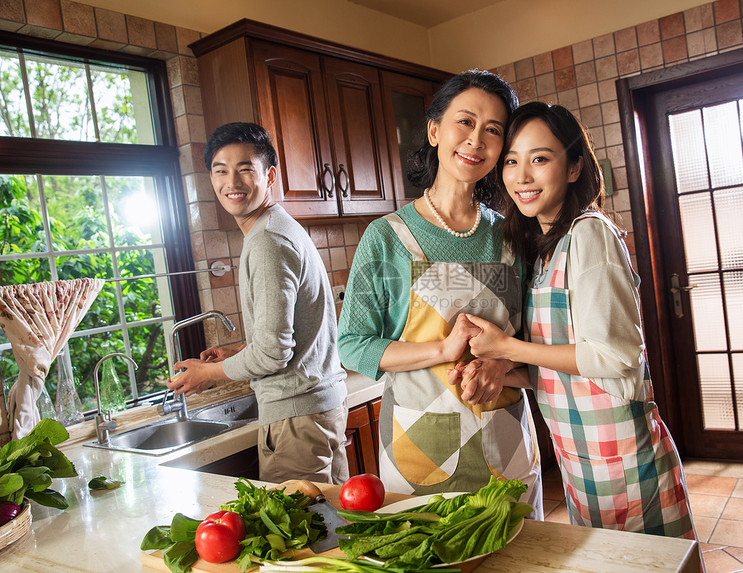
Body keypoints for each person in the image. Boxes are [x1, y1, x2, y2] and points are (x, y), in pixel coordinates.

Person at [461, 102, 697, 540]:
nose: (522, 176)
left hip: (624, 463)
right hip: (582, 461)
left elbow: (615, 357)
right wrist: (500, 371)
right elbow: (567, 372)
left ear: (573, 168)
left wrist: (506, 349)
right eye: (511, 161)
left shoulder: (590, 234)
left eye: (540, 159)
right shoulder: (548, 248)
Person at [337, 70, 543, 516]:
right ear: (434, 130)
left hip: (506, 446)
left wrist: (501, 362)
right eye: (464, 122)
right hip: (420, 451)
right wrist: (442, 349)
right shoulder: (387, 237)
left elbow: (538, 347)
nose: (476, 140)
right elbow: (352, 346)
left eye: (493, 130)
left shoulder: (512, 236)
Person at [167, 122, 349, 485]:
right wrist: (237, 351)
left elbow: (271, 355)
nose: (231, 182)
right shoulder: (277, 228)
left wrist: (207, 374)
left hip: (296, 418)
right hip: (316, 408)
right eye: (221, 171)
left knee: (301, 538)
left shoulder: (267, 241)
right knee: (336, 530)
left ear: (270, 176)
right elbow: (291, 335)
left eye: (245, 169)